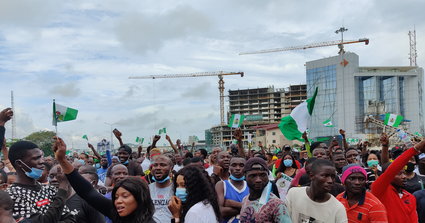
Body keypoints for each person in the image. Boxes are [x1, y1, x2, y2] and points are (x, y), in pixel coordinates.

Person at [53, 137, 156, 223]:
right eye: (116, 197)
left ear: (140, 198)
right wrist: (62, 160)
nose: (118, 201)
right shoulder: (117, 213)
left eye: (125, 196)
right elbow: (87, 192)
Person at [6, 140, 75, 222]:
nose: (42, 161)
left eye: (41, 157)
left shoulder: (49, 189)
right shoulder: (11, 195)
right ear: (19, 163)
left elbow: (70, 219)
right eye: (36, 158)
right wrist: (63, 188)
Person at [371, 132, 424, 223]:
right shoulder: (379, 190)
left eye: (404, 173)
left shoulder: (410, 197)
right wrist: (414, 149)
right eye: (399, 174)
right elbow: (392, 168)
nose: (404, 177)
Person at [238, 157, 291, 222]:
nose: (258, 180)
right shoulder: (245, 199)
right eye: (252, 176)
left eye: (262, 175)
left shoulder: (277, 204)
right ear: (245, 177)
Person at [215, 156, 249, 223]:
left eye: (241, 165)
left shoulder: (250, 185)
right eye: (234, 165)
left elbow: (259, 209)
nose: (238, 168)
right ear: (229, 168)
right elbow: (220, 211)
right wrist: (248, 208)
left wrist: (233, 204)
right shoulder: (221, 185)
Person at [149, 155, 174, 223]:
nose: (158, 168)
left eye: (163, 165)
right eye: (155, 165)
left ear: (171, 169)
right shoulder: (146, 189)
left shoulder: (176, 188)